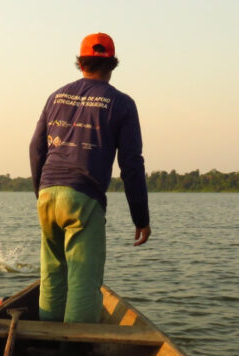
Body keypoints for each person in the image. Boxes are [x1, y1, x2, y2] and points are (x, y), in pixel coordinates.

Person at [29, 33, 151, 330]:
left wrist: (42, 193)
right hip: (83, 198)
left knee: (53, 276)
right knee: (83, 281)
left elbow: (36, 149)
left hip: (47, 195)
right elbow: (131, 165)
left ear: (80, 63)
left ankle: (45, 343)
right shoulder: (121, 103)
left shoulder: (55, 96)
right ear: (112, 64)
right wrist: (141, 217)